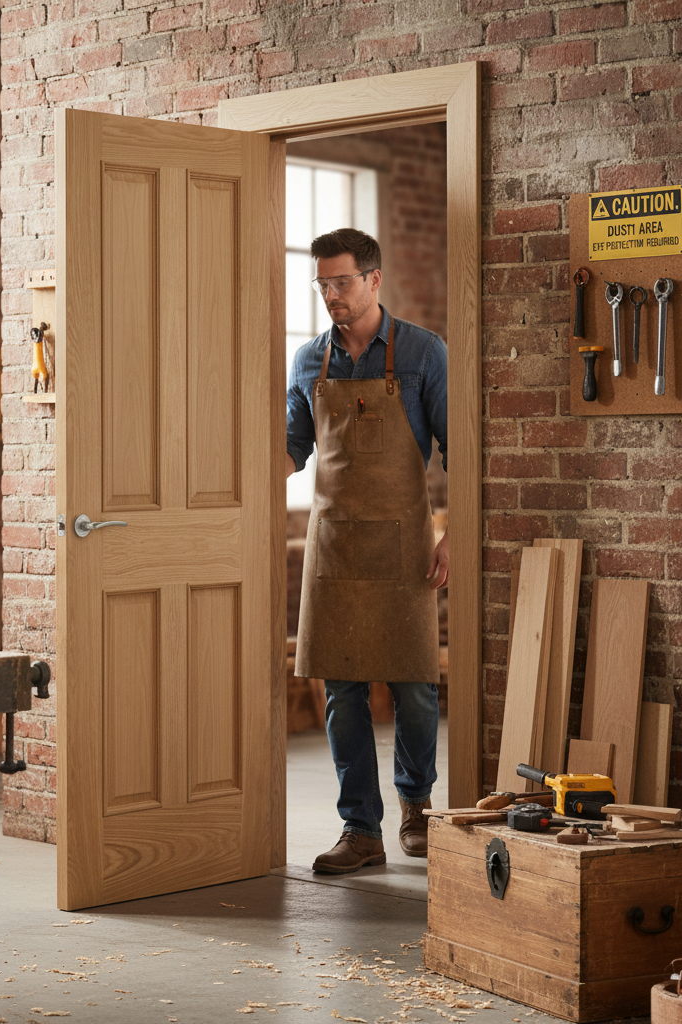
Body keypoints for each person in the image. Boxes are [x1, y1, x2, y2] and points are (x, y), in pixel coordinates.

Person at [286, 227, 449, 874]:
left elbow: (460, 449)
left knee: (416, 687)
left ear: (374, 279)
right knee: (342, 690)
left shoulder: (422, 352)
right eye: (323, 283)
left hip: (406, 544)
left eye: (343, 282)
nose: (332, 294)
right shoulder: (309, 361)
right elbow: (292, 449)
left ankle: (417, 808)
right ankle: (360, 830)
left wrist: (454, 537)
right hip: (333, 548)